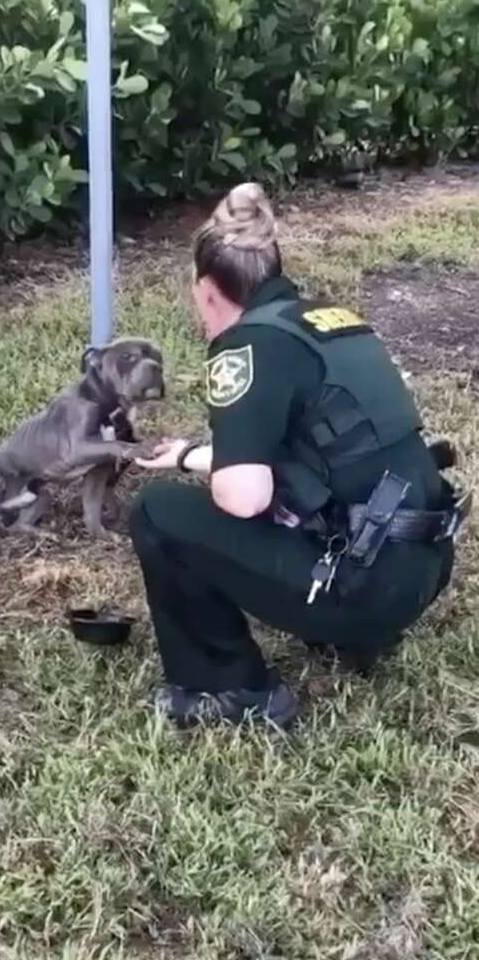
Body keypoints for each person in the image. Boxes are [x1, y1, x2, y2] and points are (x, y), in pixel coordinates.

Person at [129, 182, 470, 729]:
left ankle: (228, 686)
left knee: (157, 512)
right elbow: (319, 459)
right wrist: (189, 454)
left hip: (361, 591)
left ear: (208, 290)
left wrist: (212, 471)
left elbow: (244, 497)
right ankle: (355, 634)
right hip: (419, 572)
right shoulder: (332, 321)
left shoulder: (245, 346)